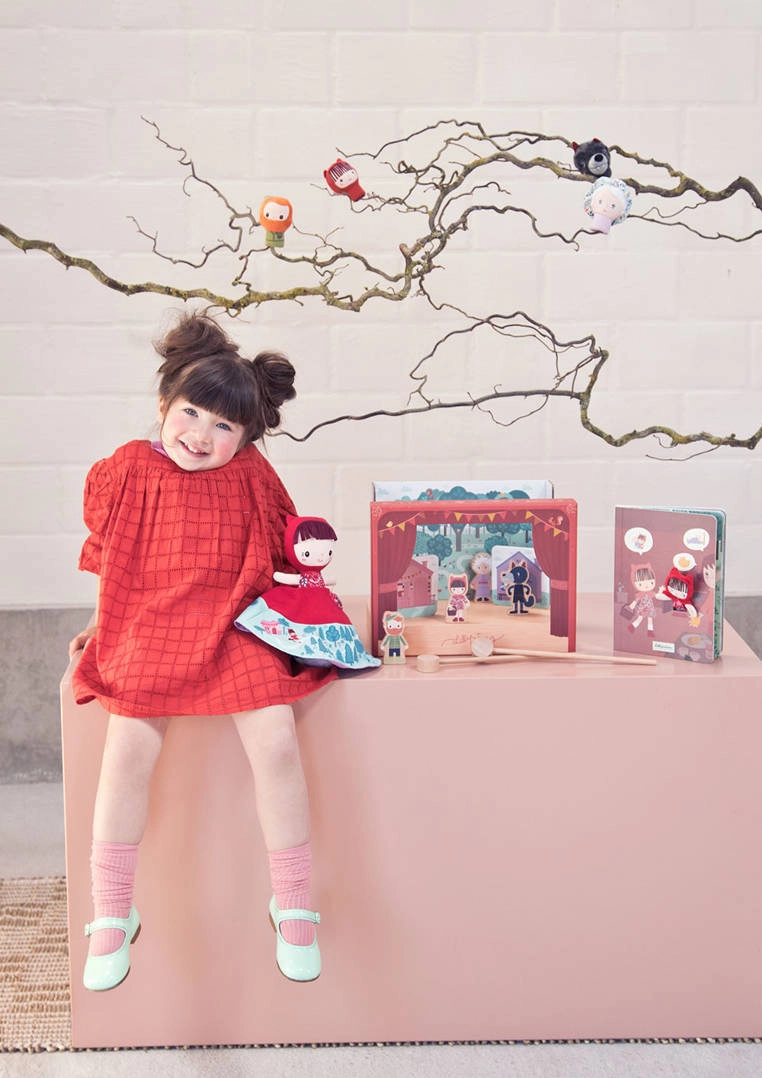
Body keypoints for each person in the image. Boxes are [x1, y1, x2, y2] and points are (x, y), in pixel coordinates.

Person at [68, 310, 333, 991]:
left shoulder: (250, 476)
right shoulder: (129, 469)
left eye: (223, 427)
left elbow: (287, 548)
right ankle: (112, 910)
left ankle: (293, 900)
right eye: (190, 413)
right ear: (164, 404)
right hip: (148, 624)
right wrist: (101, 624)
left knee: (276, 742)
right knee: (127, 751)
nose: (200, 435)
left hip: (235, 625)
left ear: (245, 438)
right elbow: (110, 552)